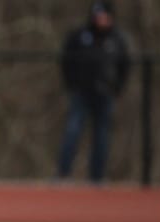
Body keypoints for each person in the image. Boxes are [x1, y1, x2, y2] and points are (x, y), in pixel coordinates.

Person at [57, 0, 131, 184]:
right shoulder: (80, 35)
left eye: (104, 16)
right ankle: (63, 174)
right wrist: (71, 83)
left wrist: (117, 88)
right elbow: (66, 59)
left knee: (101, 137)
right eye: (98, 16)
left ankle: (97, 177)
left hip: (104, 94)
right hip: (81, 93)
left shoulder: (116, 39)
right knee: (72, 131)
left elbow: (125, 66)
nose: (101, 20)